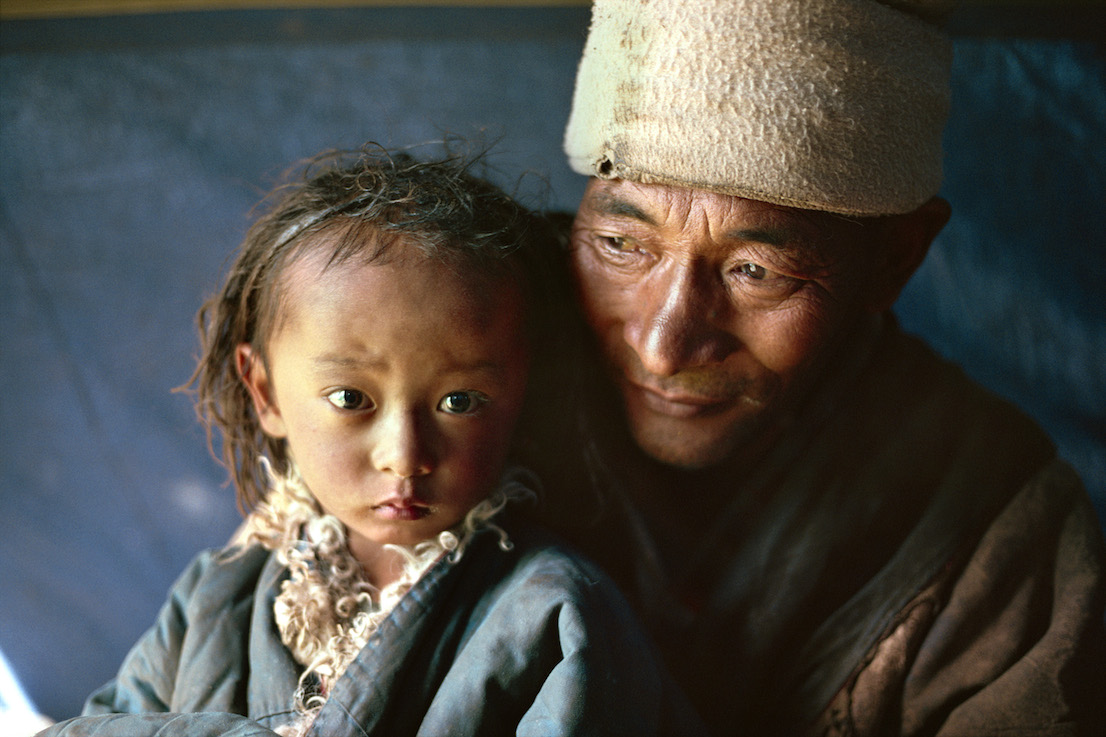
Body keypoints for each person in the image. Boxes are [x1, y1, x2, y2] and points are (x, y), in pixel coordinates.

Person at [537, 1, 1106, 735]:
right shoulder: (461, 368)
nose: (663, 345)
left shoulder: (1000, 521)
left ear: (895, 260)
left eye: (756, 271)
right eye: (621, 244)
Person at [39, 147, 702, 737]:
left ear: (521, 398)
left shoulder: (556, 614)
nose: (405, 453)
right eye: (352, 399)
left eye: (460, 402)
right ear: (265, 392)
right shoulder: (217, 595)